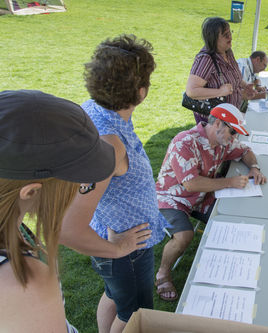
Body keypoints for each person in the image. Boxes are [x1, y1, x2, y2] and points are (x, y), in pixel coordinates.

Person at [60, 35, 168, 333]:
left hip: (116, 242)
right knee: (135, 315)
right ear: (141, 92)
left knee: (115, 297)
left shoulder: (95, 110)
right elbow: (68, 227)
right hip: (126, 250)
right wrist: (118, 247)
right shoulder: (110, 146)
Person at [0, 90, 116, 331]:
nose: (80, 189)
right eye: (81, 184)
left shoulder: (11, 225)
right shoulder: (23, 281)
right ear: (31, 192)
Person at [155, 103, 267, 301]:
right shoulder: (185, 142)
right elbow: (190, 184)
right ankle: (162, 274)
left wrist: (255, 168)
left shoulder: (223, 141)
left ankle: (228, 268)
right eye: (233, 133)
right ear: (217, 124)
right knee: (184, 236)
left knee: (236, 215)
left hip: (199, 198)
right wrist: (229, 182)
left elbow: (245, 151)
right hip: (171, 198)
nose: (234, 139)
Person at [186, 17, 255, 124]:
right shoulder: (206, 59)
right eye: (225, 35)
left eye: (230, 32)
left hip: (229, 117)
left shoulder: (227, 51)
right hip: (213, 123)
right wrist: (220, 92)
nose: (230, 37)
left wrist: (246, 86)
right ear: (213, 38)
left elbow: (234, 74)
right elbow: (191, 91)